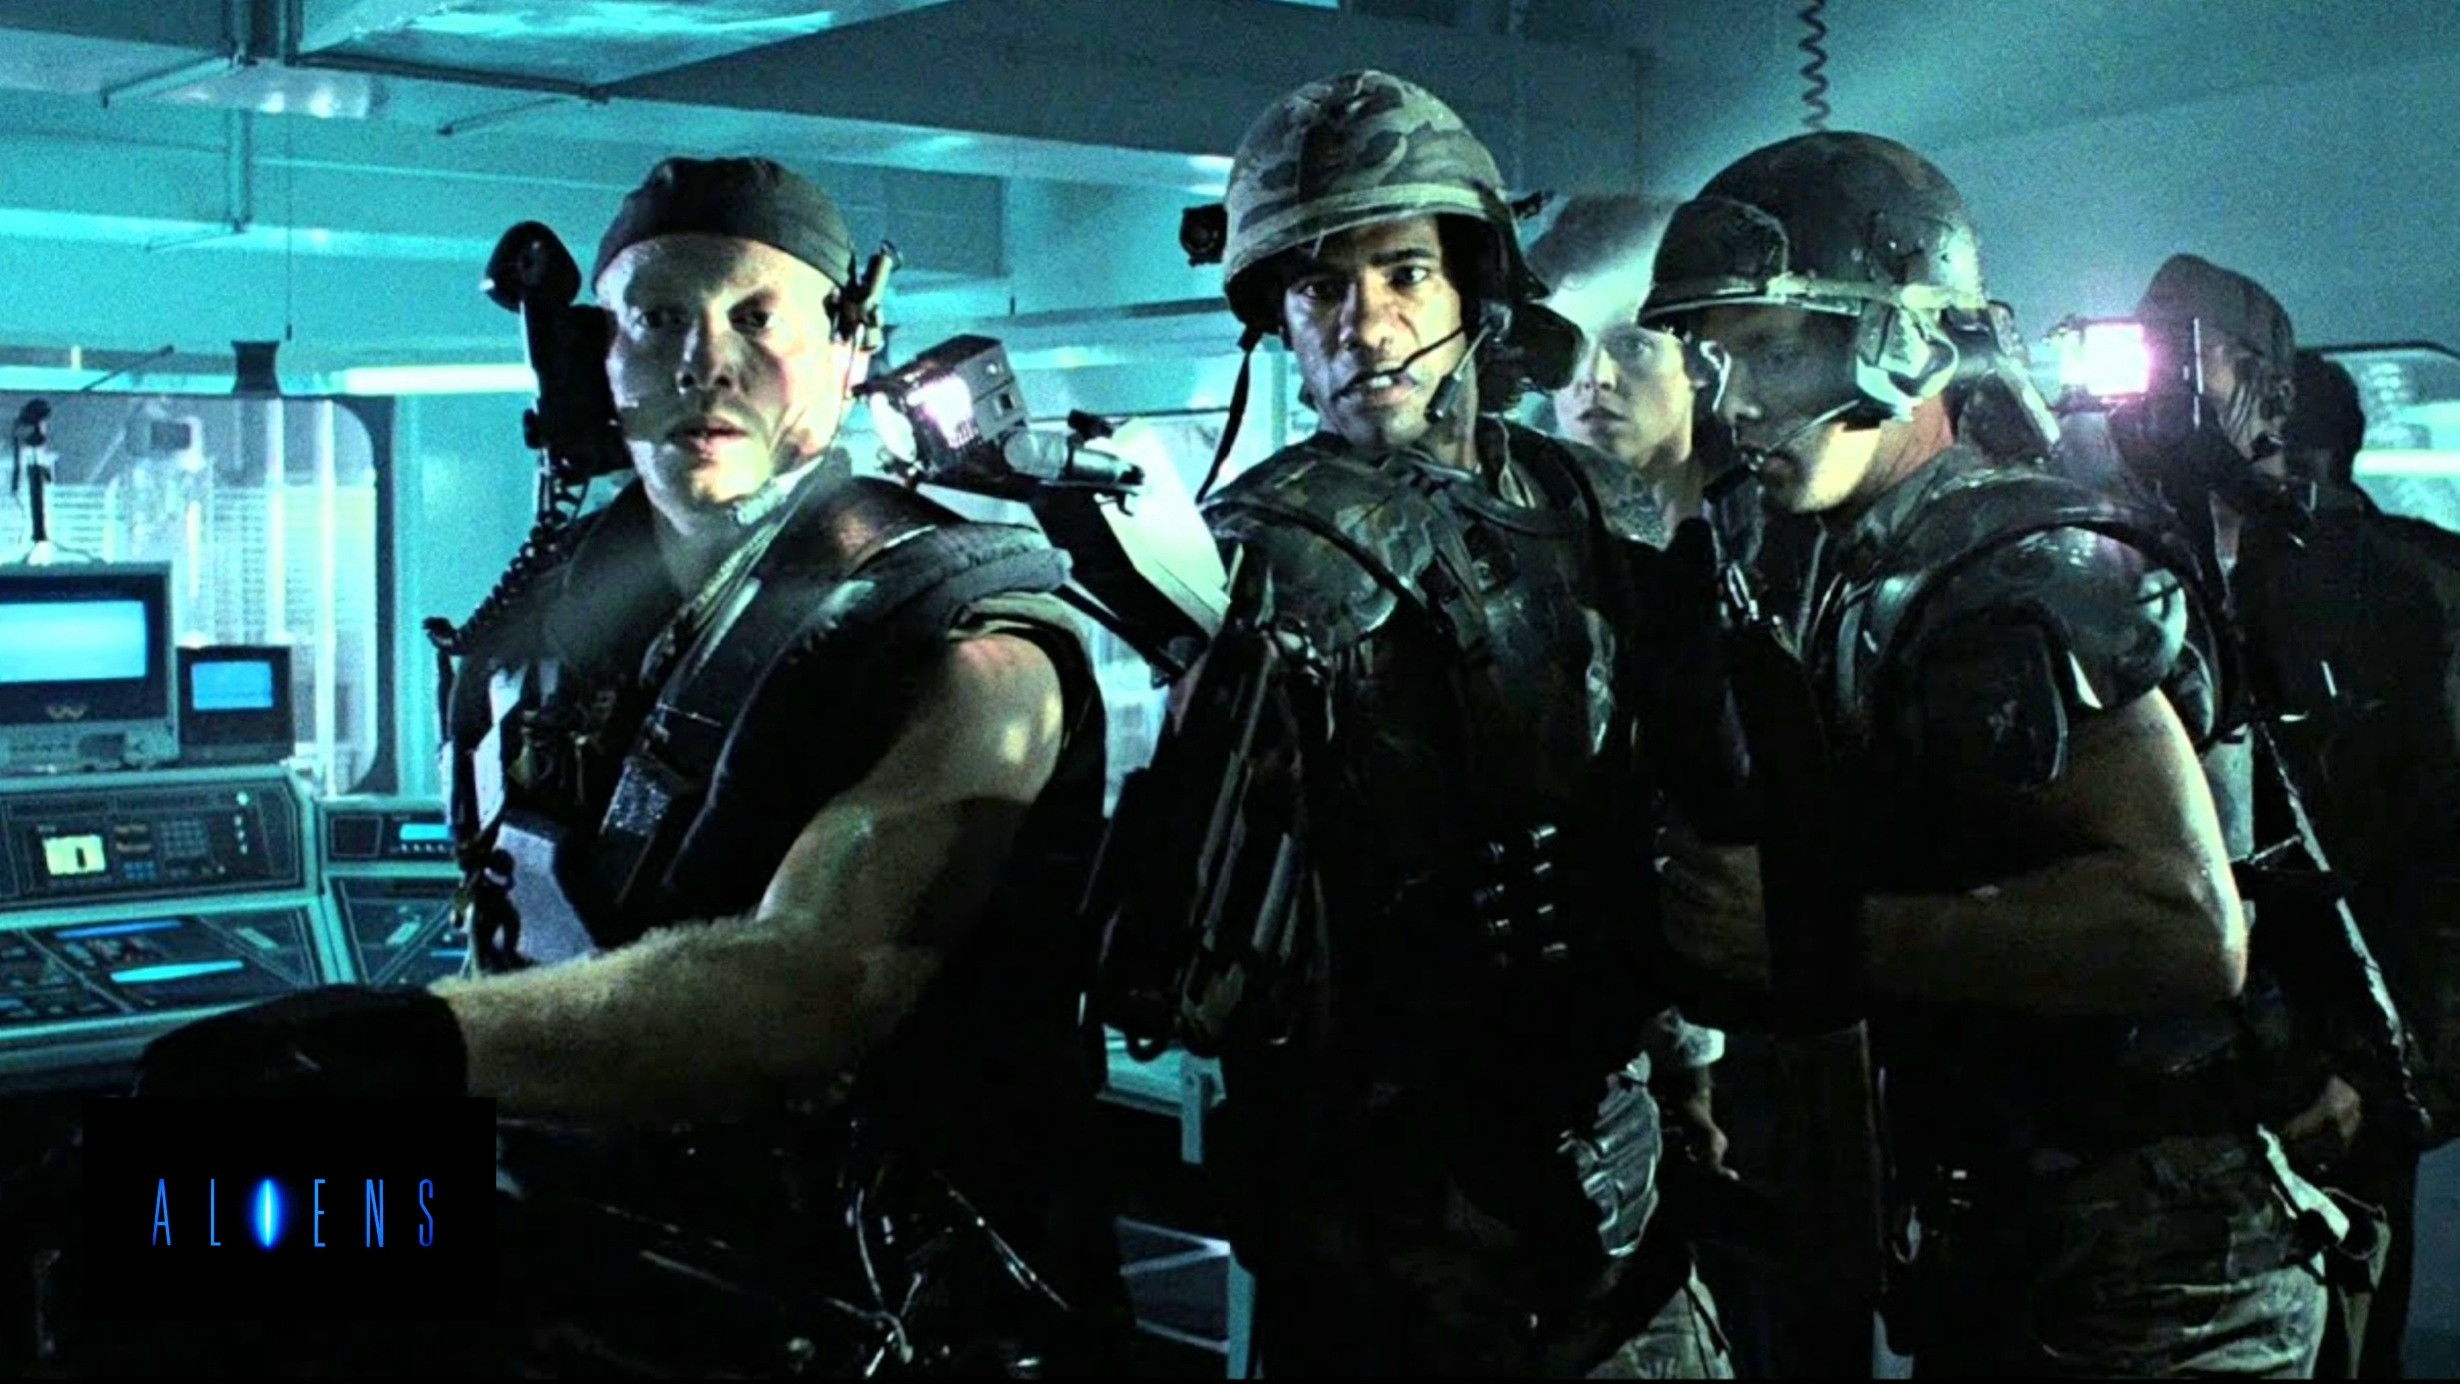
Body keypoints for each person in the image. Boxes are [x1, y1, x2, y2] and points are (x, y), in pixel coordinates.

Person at [124, 156, 1128, 1376]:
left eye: (757, 317)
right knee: (139, 1225)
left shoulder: (972, 644)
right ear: (596, 356)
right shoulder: (559, 609)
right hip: (587, 1231)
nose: (705, 362)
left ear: (850, 350)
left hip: (870, 1299)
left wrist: (409, 1046)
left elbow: (815, 985)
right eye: (659, 320)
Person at [1644, 132, 2344, 1377]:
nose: (1736, 400)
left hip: (2158, 1280)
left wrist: (1809, 933)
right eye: (1719, 357)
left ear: (1898, 341)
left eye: (1774, 349)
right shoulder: (1852, 557)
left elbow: (2185, 926)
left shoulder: (2013, 568)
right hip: (2015, 1245)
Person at [1146, 69, 1731, 1377]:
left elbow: (1662, 800)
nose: (1365, 325)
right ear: (1280, 318)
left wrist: (1687, 1056)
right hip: (1382, 1218)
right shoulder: (1252, 557)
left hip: (1614, 1176)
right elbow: (1195, 944)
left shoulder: (1596, 507)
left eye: (1404, 272)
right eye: (1321, 287)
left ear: (1477, 287)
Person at [2139, 263, 2460, 1378]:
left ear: (2270, 395)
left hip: (2342, 1087)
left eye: (2192, 356)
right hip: (2157, 1101)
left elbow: (2443, 853)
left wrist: (2399, 1084)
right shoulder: (2113, 569)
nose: (2161, 383)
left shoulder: (2397, 593)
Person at [1526, 194, 1700, 545]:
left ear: (1699, 362)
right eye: (1569, 345)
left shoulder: (1768, 510)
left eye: (1632, 346)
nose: (1597, 378)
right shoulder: (1511, 517)